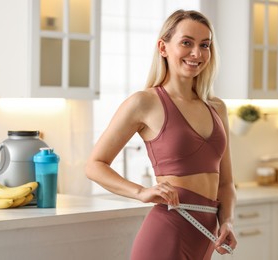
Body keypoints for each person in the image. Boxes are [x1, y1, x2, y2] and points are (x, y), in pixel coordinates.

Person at [85, 9, 237, 259]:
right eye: (186, 43)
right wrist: (140, 192)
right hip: (168, 231)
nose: (197, 53)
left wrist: (228, 221)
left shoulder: (216, 107)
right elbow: (94, 165)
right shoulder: (144, 103)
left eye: (205, 45)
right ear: (163, 47)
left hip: (206, 235)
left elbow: (226, 182)